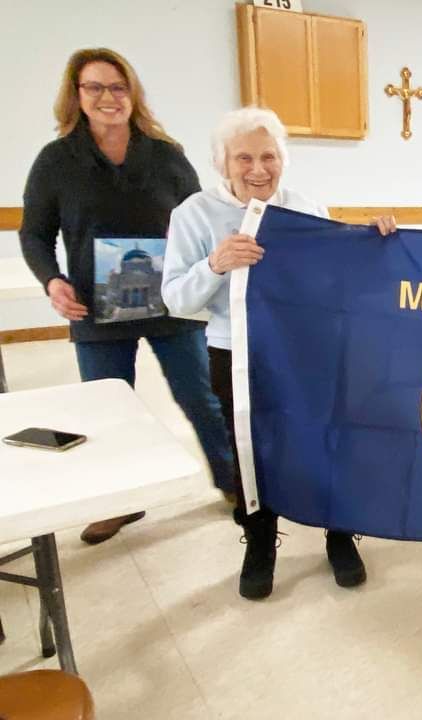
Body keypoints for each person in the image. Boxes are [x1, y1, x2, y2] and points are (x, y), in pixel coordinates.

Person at [161, 107, 397, 600]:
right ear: (222, 163)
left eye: (268, 156)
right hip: (235, 353)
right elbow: (177, 299)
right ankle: (261, 542)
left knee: (326, 438)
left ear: (282, 160)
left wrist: (373, 245)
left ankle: (339, 533)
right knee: (250, 449)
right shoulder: (193, 215)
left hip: (308, 349)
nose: (257, 169)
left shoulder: (304, 208)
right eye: (243, 157)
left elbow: (339, 280)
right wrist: (214, 264)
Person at [19, 48, 234, 544]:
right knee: (110, 412)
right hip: (95, 310)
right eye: (94, 87)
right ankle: (120, 502)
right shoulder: (56, 161)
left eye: (117, 87)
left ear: (132, 93)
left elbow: (199, 219)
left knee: (201, 396)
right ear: (76, 95)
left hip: (172, 304)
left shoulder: (166, 155)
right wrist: (53, 280)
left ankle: (232, 483)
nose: (107, 97)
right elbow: (34, 234)